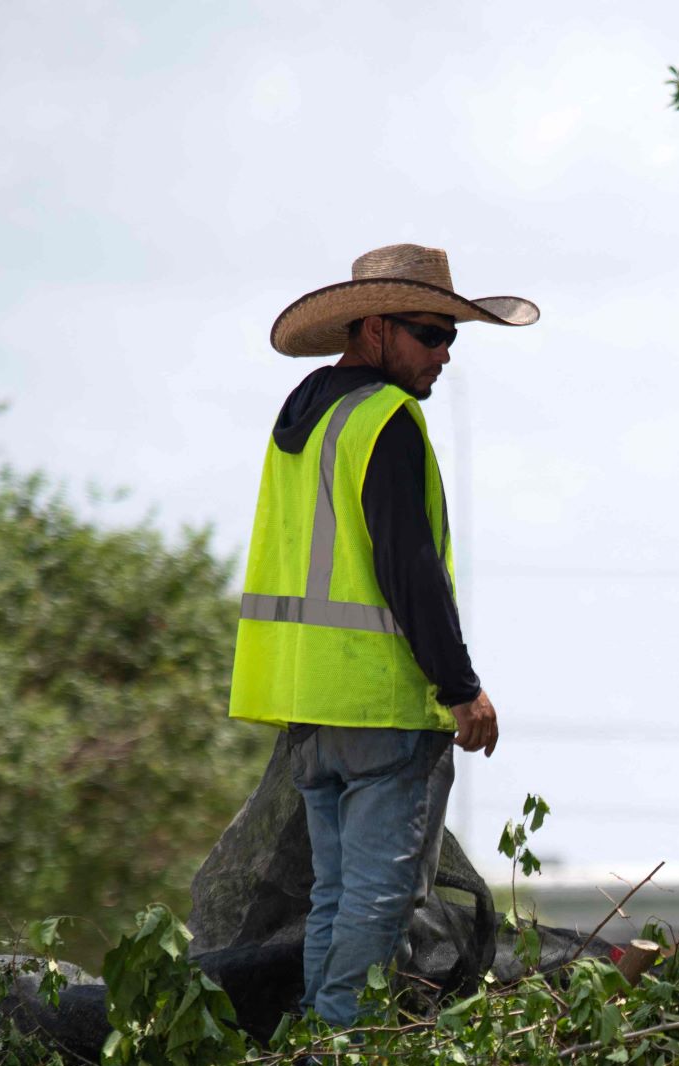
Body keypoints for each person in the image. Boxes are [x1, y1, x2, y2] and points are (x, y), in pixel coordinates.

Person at [229, 244, 537, 1025]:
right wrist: (460, 687)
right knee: (379, 897)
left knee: (334, 894)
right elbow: (408, 568)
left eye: (450, 339)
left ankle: (316, 1047)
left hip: (308, 703)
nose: (441, 355)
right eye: (428, 335)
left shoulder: (306, 415)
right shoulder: (384, 419)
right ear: (372, 329)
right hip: (378, 703)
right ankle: (341, 1053)